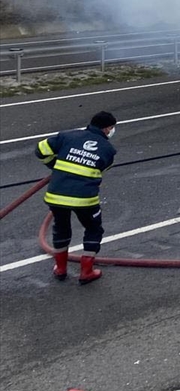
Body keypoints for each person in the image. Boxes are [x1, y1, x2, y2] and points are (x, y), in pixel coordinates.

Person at [35, 110, 117, 284]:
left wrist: (54, 166)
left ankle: (61, 269)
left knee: (61, 228)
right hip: (85, 199)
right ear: (107, 129)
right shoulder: (109, 150)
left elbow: (40, 150)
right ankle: (86, 271)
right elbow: (99, 172)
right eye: (111, 128)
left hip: (56, 196)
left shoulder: (67, 136)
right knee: (93, 229)